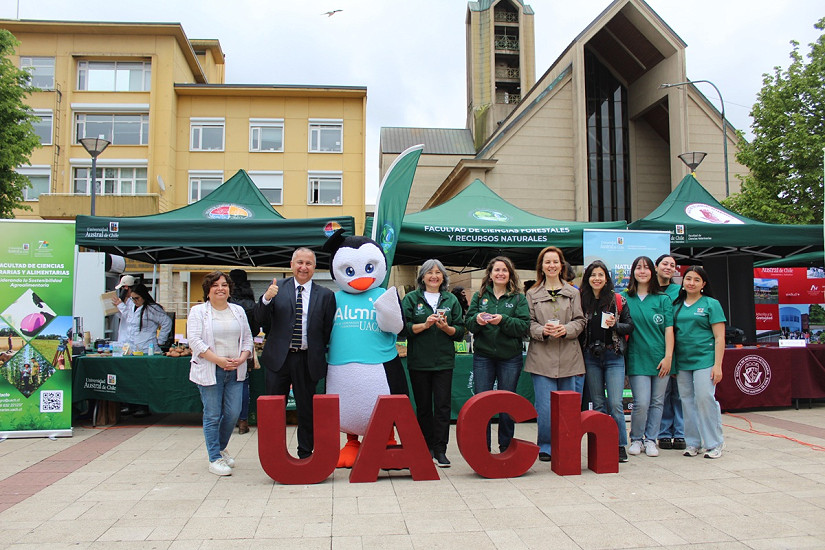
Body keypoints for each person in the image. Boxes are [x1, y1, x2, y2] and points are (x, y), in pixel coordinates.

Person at [253, 248, 335, 459]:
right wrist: (265, 299)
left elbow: (326, 330)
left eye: (308, 263)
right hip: (279, 359)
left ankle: (305, 453)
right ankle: (273, 454)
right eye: (300, 262)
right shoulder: (276, 288)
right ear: (291, 265)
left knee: (306, 410)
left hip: (308, 359)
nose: (303, 267)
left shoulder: (326, 295)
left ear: (314, 268)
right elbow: (259, 319)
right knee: (273, 408)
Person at [188, 271, 254, 476]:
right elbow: (195, 341)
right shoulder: (199, 312)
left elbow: (248, 339)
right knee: (213, 414)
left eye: (224, 285)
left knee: (233, 413)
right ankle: (214, 458)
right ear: (208, 291)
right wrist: (218, 360)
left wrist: (242, 358)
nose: (220, 288)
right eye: (215, 285)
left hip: (235, 370)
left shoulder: (237, 311)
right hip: (210, 369)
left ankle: (220, 448)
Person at [402, 259, 465, 467]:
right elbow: (404, 329)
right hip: (419, 362)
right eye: (430, 272)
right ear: (422, 277)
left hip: (444, 363)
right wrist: (425, 324)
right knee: (423, 407)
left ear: (443, 277)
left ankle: (440, 449)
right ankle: (425, 446)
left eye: (438, 273)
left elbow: (460, 332)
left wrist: (446, 328)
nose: (434, 276)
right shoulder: (412, 299)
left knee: (443, 407)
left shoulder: (451, 300)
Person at [525, 246, 586, 462]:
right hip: (541, 358)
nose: (551, 265)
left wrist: (567, 330)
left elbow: (580, 320)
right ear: (541, 267)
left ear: (561, 265)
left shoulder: (573, 293)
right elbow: (528, 324)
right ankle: (546, 445)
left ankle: (567, 443)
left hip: (569, 357)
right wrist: (542, 331)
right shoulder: (532, 294)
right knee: (545, 407)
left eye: (555, 261)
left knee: (568, 407)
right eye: (547, 262)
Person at [466, 256, 530, 453]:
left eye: (504, 270)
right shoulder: (479, 296)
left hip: (510, 357)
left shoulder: (518, 298)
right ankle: (482, 448)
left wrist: (502, 320)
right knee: (482, 403)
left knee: (506, 404)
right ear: (490, 274)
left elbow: (523, 327)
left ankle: (506, 446)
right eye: (496, 270)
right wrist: (477, 320)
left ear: (510, 274)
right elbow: (468, 324)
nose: (500, 273)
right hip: (483, 356)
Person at [579, 260, 633, 463]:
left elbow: (630, 326)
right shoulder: (582, 300)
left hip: (613, 356)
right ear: (588, 278)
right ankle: (601, 443)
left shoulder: (617, 300)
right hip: (590, 357)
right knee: (598, 403)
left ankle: (619, 445)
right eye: (593, 275)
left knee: (616, 404)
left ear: (607, 278)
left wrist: (615, 326)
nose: (597, 279)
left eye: (601, 275)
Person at [621, 256, 674, 458]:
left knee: (657, 402)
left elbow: (669, 330)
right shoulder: (625, 297)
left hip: (661, 358)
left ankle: (651, 439)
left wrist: (668, 357)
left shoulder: (662, 299)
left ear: (652, 272)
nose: (642, 271)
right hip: (637, 357)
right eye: (638, 268)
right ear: (632, 272)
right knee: (641, 401)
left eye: (646, 268)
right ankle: (636, 439)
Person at [673, 266, 727, 459]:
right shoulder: (676, 305)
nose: (691, 283)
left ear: (703, 284)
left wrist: (718, 365)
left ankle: (714, 443)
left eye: (696, 280)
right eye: (688, 279)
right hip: (683, 361)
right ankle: (693, 443)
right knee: (687, 402)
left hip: (705, 359)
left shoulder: (711, 304)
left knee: (705, 399)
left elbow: (720, 337)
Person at [655, 254, 686, 451]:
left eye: (672, 265)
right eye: (665, 264)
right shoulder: (649, 291)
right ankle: (664, 432)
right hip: (659, 347)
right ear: (656, 266)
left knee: (680, 393)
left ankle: (681, 432)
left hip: (681, 347)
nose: (668, 267)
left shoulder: (680, 291)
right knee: (663, 394)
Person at [229, 269, 260, 435]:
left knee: (223, 384)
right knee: (243, 383)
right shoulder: (250, 304)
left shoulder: (225, 300)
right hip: (244, 348)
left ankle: (226, 419)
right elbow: (255, 330)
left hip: (223, 348)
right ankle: (243, 421)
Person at [117, 283, 173, 354]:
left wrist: (161, 340)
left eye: (137, 298)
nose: (134, 301)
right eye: (132, 299)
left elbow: (167, 322)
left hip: (147, 348)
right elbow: (128, 316)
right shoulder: (132, 307)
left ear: (143, 296)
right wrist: (120, 305)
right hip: (133, 349)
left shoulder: (152, 309)